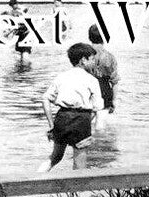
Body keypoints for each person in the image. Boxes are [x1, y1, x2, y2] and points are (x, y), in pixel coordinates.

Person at [39, 42, 104, 172]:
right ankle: (77, 191)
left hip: (62, 117)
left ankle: (35, 180)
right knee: (80, 164)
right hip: (82, 119)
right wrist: (87, 121)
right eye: (91, 59)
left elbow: (45, 98)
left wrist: (51, 124)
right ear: (83, 60)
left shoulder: (61, 77)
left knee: (55, 157)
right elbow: (97, 108)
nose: (93, 63)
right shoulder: (92, 80)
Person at [87, 25, 120, 125]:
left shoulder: (84, 55)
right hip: (104, 92)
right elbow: (114, 82)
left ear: (89, 37)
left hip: (88, 92)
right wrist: (114, 100)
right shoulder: (110, 57)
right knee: (100, 126)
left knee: (86, 125)